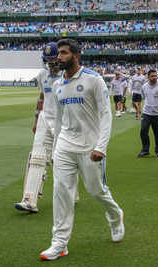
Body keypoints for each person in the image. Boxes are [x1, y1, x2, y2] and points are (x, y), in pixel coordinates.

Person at [40, 39, 124, 261]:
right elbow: (58, 120)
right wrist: (55, 148)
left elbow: (106, 115)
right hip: (65, 146)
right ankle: (59, 243)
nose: (59, 57)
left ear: (76, 56)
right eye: (59, 53)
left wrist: (101, 147)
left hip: (90, 147)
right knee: (61, 192)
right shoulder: (58, 84)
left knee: (97, 191)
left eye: (64, 53)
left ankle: (115, 217)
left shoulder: (93, 80)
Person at [14, 42, 61, 213]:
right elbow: (41, 97)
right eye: (47, 60)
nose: (50, 63)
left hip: (63, 122)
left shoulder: (67, 75)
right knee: (37, 158)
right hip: (44, 119)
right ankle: (29, 200)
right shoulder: (42, 74)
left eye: (52, 59)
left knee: (61, 160)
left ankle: (71, 192)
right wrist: (36, 120)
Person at [138, 70, 158, 158]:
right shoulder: (144, 86)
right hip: (146, 112)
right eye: (152, 76)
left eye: (155, 76)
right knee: (143, 130)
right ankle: (145, 150)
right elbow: (144, 97)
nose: (154, 78)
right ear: (148, 77)